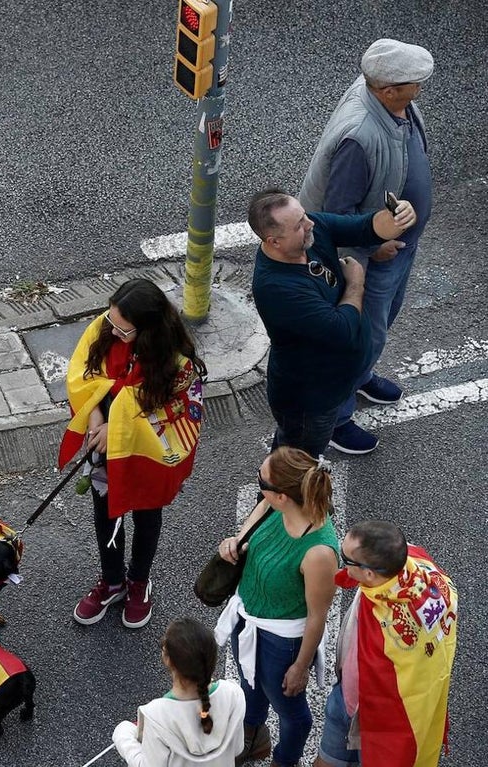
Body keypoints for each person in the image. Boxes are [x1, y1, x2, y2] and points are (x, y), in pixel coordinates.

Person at [299, 39, 435, 455]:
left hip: (396, 246)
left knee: (378, 327)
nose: (421, 88)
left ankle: (360, 380)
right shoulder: (359, 137)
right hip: (371, 255)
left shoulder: (390, 100)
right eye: (415, 82)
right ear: (389, 89)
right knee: (357, 337)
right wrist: (373, 248)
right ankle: (337, 418)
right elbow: (338, 212)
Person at [62, 278, 206, 629]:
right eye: (110, 322)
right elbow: (85, 374)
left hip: (147, 451)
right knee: (105, 512)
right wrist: (96, 416)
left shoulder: (176, 362)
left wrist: (118, 428)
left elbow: (174, 410)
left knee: (146, 515)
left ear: (149, 330)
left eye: (123, 330)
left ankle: (138, 581)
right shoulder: (109, 326)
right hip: (104, 443)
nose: (111, 331)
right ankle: (112, 581)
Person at [247, 188, 417, 458]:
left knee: (293, 457)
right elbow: (344, 330)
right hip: (311, 400)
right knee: (296, 462)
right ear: (274, 241)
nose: (310, 223)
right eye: (299, 225)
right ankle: (276, 498)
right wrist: (356, 283)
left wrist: (397, 217)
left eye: (304, 215)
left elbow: (365, 228)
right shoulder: (277, 288)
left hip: (336, 379)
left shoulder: (310, 233)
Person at [213, 447, 339, 767]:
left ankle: (284, 760)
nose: (259, 484)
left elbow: (317, 616)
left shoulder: (319, 553)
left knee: (292, 713)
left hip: (283, 641)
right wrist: (234, 543)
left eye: (262, 481)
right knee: (250, 684)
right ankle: (254, 737)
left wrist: (300, 666)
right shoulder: (273, 507)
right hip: (249, 619)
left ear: (282, 496)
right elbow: (246, 536)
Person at [313, 521, 457, 767]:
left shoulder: (385, 625)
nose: (340, 562)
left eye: (345, 559)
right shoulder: (414, 566)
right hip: (349, 699)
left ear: (369, 573)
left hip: (376, 719)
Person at [112, 617, 247, 766]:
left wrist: (123, 733)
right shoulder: (234, 694)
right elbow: (237, 748)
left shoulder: (157, 716)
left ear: (168, 659)